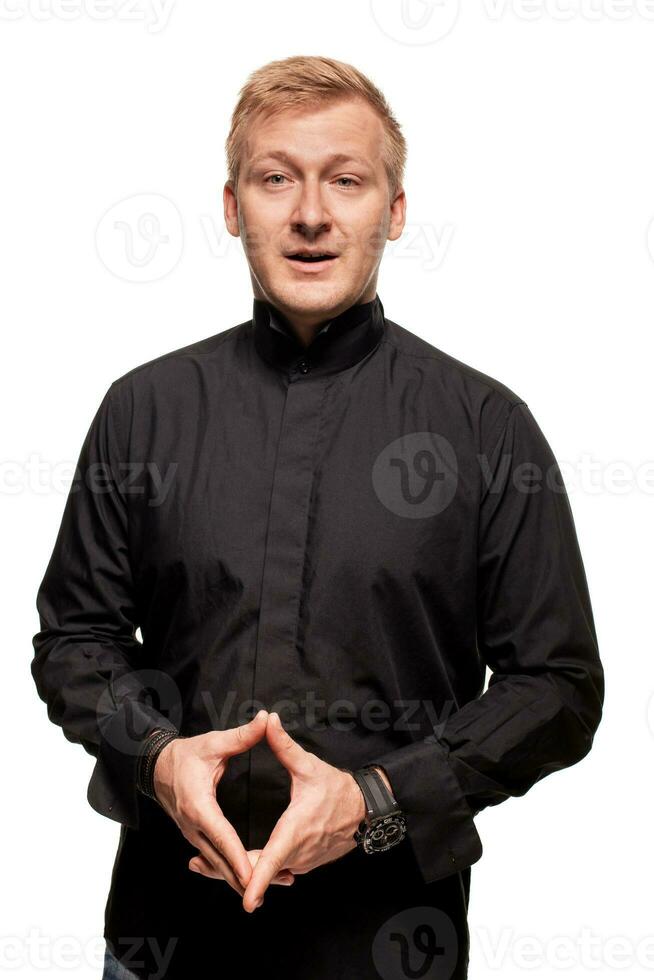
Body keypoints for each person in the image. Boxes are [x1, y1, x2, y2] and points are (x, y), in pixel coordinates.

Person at [31, 55, 604, 980]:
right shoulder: (142, 411)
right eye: (275, 178)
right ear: (231, 207)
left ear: (396, 210)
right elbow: (75, 639)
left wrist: (380, 799)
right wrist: (158, 758)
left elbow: (559, 685)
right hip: (165, 940)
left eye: (346, 179)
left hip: (385, 949)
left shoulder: (487, 427)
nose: (310, 213)